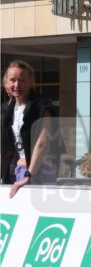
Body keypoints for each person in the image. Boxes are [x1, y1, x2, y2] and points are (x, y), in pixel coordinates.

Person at [2, 60, 60, 198]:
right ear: (6, 83)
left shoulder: (42, 107)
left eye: (22, 80)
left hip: (39, 171)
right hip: (16, 169)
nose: (17, 85)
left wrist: (28, 175)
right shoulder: (7, 110)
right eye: (13, 80)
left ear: (31, 82)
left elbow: (42, 143)